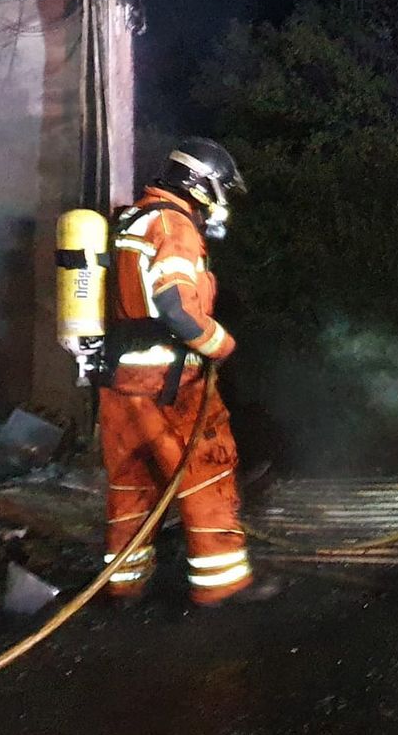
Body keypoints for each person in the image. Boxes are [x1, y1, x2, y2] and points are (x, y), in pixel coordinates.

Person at [97, 137, 277, 606]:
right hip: (171, 383)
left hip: (120, 381)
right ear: (200, 186)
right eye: (219, 191)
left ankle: (124, 585)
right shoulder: (174, 227)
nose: (221, 205)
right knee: (207, 472)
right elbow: (175, 307)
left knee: (132, 485)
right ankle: (223, 587)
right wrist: (221, 344)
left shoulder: (130, 221)